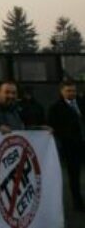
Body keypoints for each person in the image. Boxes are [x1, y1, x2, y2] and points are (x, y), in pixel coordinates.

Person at [47, 81, 85, 212]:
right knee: (74, 177)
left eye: (73, 91)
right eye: (68, 91)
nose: (71, 93)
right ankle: (78, 203)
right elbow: (53, 126)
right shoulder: (56, 108)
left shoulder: (81, 103)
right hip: (71, 147)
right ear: (61, 92)